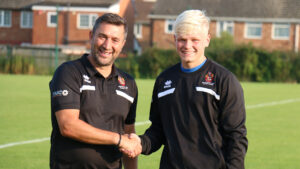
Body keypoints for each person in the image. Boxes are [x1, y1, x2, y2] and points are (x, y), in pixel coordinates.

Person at [126, 10, 248, 169]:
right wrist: (141, 143)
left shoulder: (224, 80)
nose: (187, 46)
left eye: (194, 40)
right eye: (182, 39)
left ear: (207, 40)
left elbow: (236, 138)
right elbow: (158, 130)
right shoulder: (164, 80)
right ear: (175, 39)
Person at [49, 13, 141, 169]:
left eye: (115, 40)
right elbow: (68, 126)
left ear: (123, 44)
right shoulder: (69, 72)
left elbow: (129, 138)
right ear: (91, 36)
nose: (107, 45)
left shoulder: (129, 84)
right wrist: (117, 139)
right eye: (102, 37)